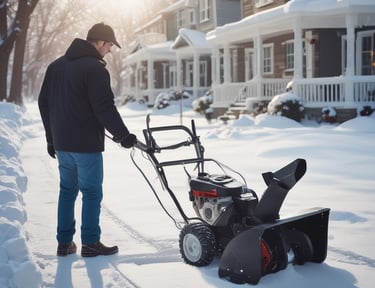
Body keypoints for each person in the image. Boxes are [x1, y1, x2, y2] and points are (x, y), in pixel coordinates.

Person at [38, 22, 136, 257]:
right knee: (91, 193)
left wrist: (52, 139)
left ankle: (64, 243)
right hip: (86, 146)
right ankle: (90, 243)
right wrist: (123, 135)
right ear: (100, 42)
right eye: (110, 45)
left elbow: (44, 103)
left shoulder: (56, 66)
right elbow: (104, 107)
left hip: (62, 145)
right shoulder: (95, 69)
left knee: (67, 191)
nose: (110, 50)